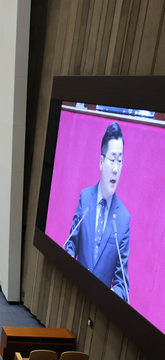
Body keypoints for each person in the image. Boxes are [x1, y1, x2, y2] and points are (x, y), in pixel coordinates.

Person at [65, 121, 130, 302]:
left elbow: (122, 282)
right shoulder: (85, 198)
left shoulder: (123, 219)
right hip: (73, 293)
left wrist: (108, 296)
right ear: (102, 162)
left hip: (99, 307)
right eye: (112, 160)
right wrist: (70, 263)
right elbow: (71, 242)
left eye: (120, 161)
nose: (116, 169)